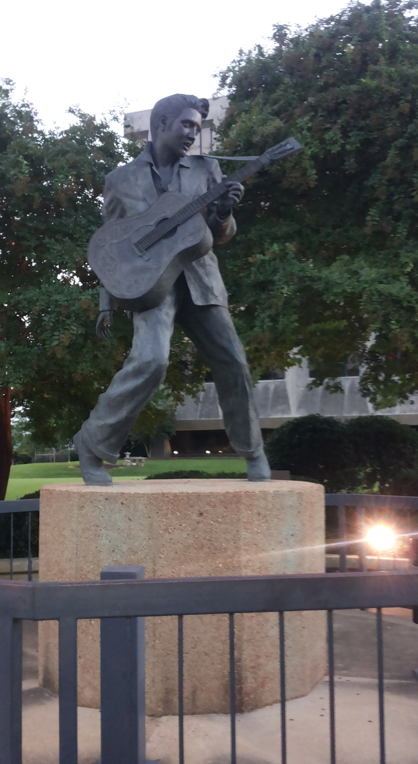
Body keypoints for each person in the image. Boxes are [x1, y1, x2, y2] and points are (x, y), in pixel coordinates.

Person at [73, 93, 270, 485]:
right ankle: (92, 443)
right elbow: (110, 244)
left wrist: (225, 214)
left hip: (200, 277)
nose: (193, 134)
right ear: (161, 124)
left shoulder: (207, 169)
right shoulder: (120, 179)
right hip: (149, 284)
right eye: (187, 125)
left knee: (233, 360)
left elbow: (218, 233)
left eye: (197, 128)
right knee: (151, 362)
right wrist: (107, 301)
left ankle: (253, 451)